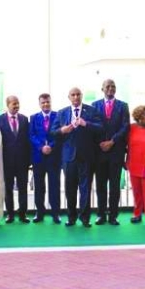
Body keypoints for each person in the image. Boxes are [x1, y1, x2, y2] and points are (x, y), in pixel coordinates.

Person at [51, 87, 102, 228]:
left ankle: (85, 218)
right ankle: (71, 217)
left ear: (81, 96)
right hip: (69, 157)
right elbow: (52, 132)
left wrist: (86, 124)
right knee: (70, 188)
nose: (76, 97)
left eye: (78, 94)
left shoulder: (91, 111)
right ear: (69, 97)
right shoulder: (62, 113)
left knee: (85, 188)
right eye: (73, 95)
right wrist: (62, 130)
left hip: (87, 156)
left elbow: (100, 128)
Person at [91, 79, 130, 225]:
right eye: (107, 86)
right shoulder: (94, 105)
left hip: (116, 151)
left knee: (114, 186)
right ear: (102, 89)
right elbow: (92, 127)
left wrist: (112, 141)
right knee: (100, 185)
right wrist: (101, 143)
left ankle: (113, 215)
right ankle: (101, 214)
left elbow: (125, 127)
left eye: (113, 86)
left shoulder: (123, 106)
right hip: (99, 152)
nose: (110, 88)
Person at [0, 96, 32, 224]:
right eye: (14, 104)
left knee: (23, 188)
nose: (16, 106)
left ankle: (22, 214)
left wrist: (29, 161)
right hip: (6, 161)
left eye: (18, 103)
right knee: (8, 189)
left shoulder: (24, 119)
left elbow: (28, 141)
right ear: (8, 105)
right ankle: (10, 214)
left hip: (22, 161)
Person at [29, 93, 62, 224]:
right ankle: (40, 212)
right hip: (38, 157)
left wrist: (51, 146)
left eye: (48, 102)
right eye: (43, 102)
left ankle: (55, 213)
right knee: (39, 186)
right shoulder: (33, 117)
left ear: (50, 102)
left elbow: (60, 134)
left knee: (55, 185)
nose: (46, 104)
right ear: (39, 104)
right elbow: (31, 135)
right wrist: (41, 147)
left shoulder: (58, 116)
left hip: (54, 157)